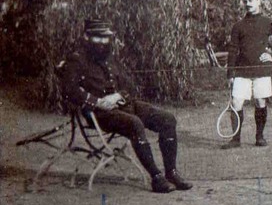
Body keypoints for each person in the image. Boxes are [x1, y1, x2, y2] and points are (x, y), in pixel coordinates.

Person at [59, 18, 192, 194]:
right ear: (86, 37)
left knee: (167, 119)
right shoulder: (76, 60)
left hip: (124, 105)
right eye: (98, 38)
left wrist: (118, 95)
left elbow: (130, 84)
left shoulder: (110, 58)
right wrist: (97, 101)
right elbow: (69, 90)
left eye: (105, 38)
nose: (103, 42)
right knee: (135, 123)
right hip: (100, 114)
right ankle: (156, 177)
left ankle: (171, 173)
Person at [224, 0, 272, 148]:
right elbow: (233, 50)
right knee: (236, 103)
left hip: (262, 71)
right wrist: (230, 73)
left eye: (251, 1)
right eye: (245, 1)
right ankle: (235, 139)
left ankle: (259, 137)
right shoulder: (238, 26)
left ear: (258, 2)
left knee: (260, 102)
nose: (248, 3)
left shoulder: (269, 22)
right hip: (242, 71)